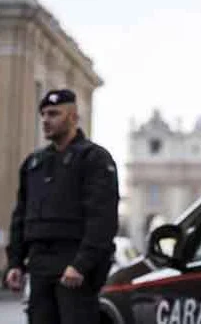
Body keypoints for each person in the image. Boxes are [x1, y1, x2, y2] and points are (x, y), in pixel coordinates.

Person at [4, 89, 119, 324]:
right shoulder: (34, 163)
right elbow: (20, 216)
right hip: (39, 265)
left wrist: (81, 264)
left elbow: (102, 219)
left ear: (74, 117)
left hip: (74, 266)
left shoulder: (94, 159)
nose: (46, 120)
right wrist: (15, 262)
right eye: (44, 114)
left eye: (54, 114)